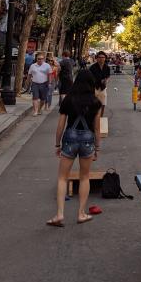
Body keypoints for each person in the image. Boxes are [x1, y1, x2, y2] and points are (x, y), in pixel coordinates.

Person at [48, 70, 102, 227]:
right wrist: (97, 148)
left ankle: (59, 214)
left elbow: (60, 126)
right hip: (87, 139)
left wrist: (57, 144)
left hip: (69, 138)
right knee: (84, 177)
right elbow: (97, 129)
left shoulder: (68, 100)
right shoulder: (95, 102)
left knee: (62, 177)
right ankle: (81, 213)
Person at [28, 52, 52, 117]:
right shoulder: (32, 66)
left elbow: (49, 75)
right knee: (35, 97)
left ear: (44, 59)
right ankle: (35, 111)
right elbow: (29, 74)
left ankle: (39, 109)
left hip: (44, 84)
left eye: (41, 59)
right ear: (36, 59)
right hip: (35, 83)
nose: (40, 60)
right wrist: (28, 82)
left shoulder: (47, 65)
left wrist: (49, 83)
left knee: (43, 99)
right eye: (38, 59)